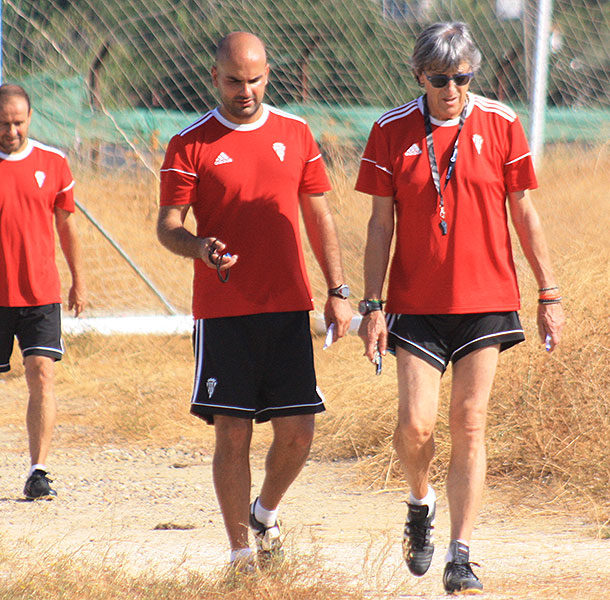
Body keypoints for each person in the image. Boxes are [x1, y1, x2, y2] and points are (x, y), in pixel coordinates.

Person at [355, 22, 565, 595]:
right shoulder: (390, 130)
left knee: (470, 423)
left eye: (463, 77)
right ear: (419, 76)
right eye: (440, 79)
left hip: (487, 299)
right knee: (415, 425)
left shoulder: (500, 123)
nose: (452, 89)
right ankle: (419, 507)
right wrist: (372, 304)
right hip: (415, 304)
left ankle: (461, 553)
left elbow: (524, 213)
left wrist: (548, 291)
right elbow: (379, 225)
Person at [157, 31, 352, 570]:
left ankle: (265, 512)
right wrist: (199, 247)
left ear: (268, 75)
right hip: (224, 314)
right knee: (233, 431)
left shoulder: (296, 132)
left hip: (288, 307)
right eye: (235, 81)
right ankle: (242, 555)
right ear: (214, 79)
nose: (246, 90)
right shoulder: (188, 143)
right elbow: (168, 226)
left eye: (256, 79)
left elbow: (319, 216)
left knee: (298, 433)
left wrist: (338, 292)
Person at [0, 83, 86, 500]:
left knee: (41, 374)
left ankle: (38, 470)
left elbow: (67, 225)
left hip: (41, 293)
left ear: (30, 118)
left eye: (19, 123)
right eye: (4, 123)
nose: (12, 131)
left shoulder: (54, 162)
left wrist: (79, 278)